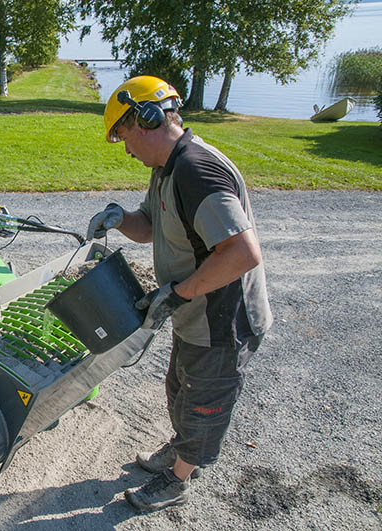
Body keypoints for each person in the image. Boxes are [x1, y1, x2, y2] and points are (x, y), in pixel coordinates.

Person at [87, 76, 273, 512]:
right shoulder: (166, 169)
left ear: (145, 119)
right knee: (179, 389)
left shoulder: (196, 170)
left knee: (204, 402)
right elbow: (150, 225)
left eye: (123, 136)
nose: (126, 150)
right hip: (194, 309)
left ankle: (178, 480)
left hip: (222, 319)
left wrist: (177, 293)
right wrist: (118, 217)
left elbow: (242, 253)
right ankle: (180, 450)